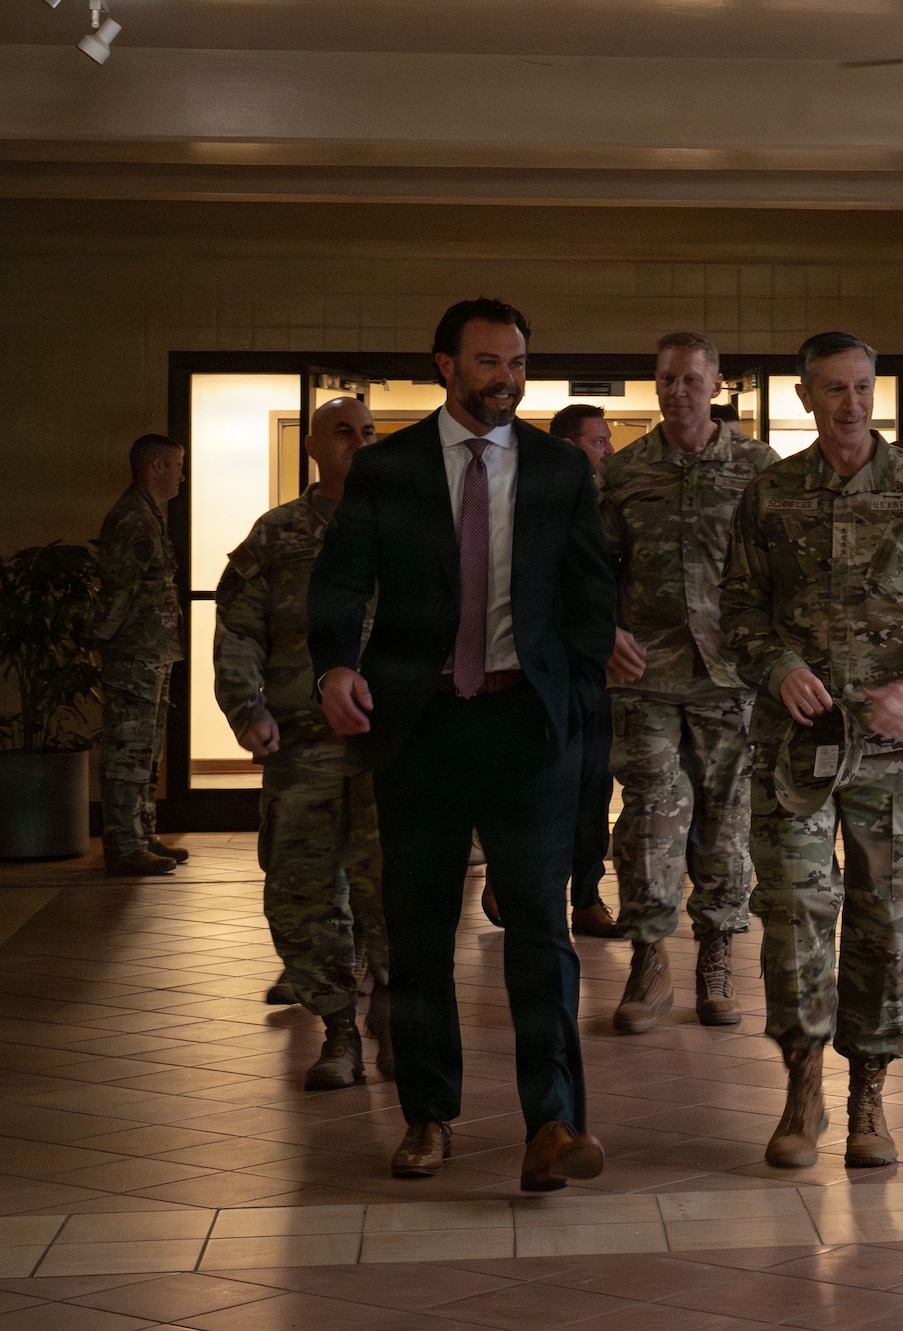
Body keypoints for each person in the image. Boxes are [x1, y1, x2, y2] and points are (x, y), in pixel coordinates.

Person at [308, 298, 617, 1191]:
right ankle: (428, 1116)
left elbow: (592, 596)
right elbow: (340, 582)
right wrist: (335, 667)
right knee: (419, 934)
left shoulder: (560, 469)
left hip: (528, 728)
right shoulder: (391, 468)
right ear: (444, 365)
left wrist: (577, 688)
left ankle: (553, 1123)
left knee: (541, 930)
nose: (505, 379)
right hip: (422, 727)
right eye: (487, 362)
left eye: (516, 363)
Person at [720, 331, 903, 1171]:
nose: (851, 404)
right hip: (797, 749)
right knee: (795, 916)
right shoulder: (770, 496)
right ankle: (802, 1087)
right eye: (834, 390)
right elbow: (736, 611)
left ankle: (870, 1093)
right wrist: (777, 666)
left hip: (895, 751)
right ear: (806, 398)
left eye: (863, 387)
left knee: (881, 919)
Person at [600, 333, 777, 1033]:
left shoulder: (758, 469)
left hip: (731, 675)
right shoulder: (623, 473)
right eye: (667, 379)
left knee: (726, 816)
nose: (679, 391)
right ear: (655, 385)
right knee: (650, 814)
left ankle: (717, 955)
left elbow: (778, 571)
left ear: (716, 383)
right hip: (646, 672)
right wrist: (601, 636)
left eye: (691, 379)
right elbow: (595, 568)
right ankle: (649, 957)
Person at [215, 396, 393, 1090]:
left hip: (389, 743)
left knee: (394, 892)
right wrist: (247, 708)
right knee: (303, 893)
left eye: (370, 433)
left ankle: (398, 1019)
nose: (359, 442)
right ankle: (338, 1030)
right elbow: (237, 628)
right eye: (344, 432)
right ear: (314, 446)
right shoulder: (277, 534)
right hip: (301, 743)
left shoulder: (401, 527)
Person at [482, 401, 622, 939]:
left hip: (595, 675)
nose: (608, 451)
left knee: (593, 790)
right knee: (528, 787)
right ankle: (504, 879)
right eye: (598, 442)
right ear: (568, 447)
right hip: (538, 673)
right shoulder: (531, 501)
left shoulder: (614, 501)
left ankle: (585, 897)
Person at [88, 433, 189, 877]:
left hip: (151, 651)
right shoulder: (132, 517)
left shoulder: (147, 514)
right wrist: (99, 641)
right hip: (134, 653)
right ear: (157, 467)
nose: (182, 476)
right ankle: (124, 845)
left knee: (147, 750)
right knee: (129, 749)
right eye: (177, 466)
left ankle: (142, 834)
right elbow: (118, 591)